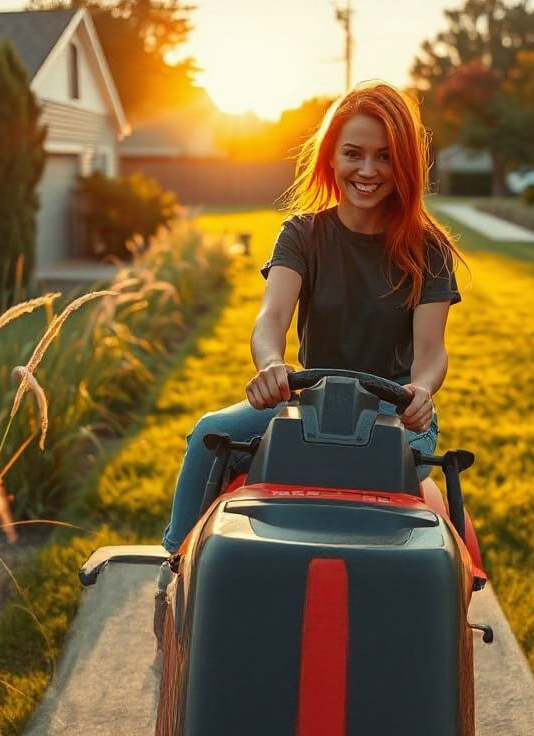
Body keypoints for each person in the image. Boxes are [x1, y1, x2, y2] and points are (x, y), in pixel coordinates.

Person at [160, 80, 463, 556]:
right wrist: (270, 364)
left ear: (405, 163)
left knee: (363, 473)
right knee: (207, 434)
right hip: (308, 405)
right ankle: (175, 562)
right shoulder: (301, 234)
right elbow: (272, 316)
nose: (368, 170)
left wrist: (420, 391)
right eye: (354, 154)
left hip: (395, 412)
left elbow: (431, 353)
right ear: (331, 158)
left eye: (385, 156)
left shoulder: (428, 249)